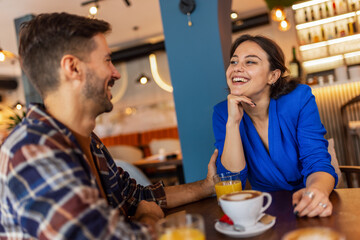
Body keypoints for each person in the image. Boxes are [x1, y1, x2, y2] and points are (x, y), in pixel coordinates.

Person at [0, 12, 218, 239]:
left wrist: (206, 186)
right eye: (107, 60)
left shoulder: (90, 142)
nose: (116, 73)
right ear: (72, 68)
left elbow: (138, 196)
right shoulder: (32, 152)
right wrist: (149, 219)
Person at [212, 34, 338, 218]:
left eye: (250, 62)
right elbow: (233, 183)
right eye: (233, 61)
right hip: (266, 210)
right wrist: (233, 123)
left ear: (273, 75)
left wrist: (315, 192)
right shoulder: (223, 113)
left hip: (309, 201)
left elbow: (317, 161)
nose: (237, 68)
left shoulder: (299, 98)